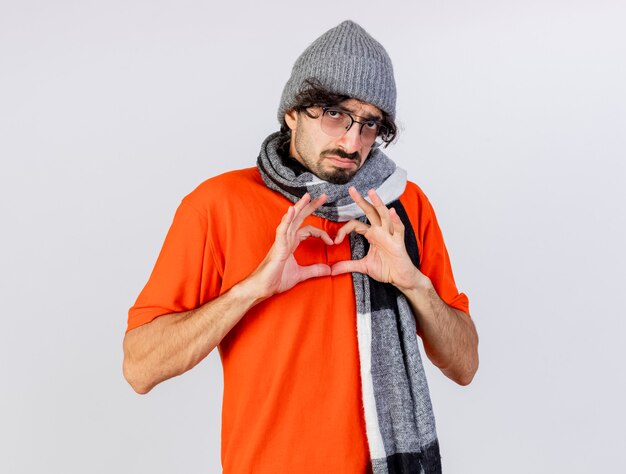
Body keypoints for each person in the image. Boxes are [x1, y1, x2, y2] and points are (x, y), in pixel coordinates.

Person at [123, 20, 478, 474]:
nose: (353, 142)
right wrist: (250, 290)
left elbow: (464, 364)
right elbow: (139, 367)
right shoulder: (217, 205)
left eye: (369, 125)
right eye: (335, 114)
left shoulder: (400, 208)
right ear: (293, 112)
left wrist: (415, 284)